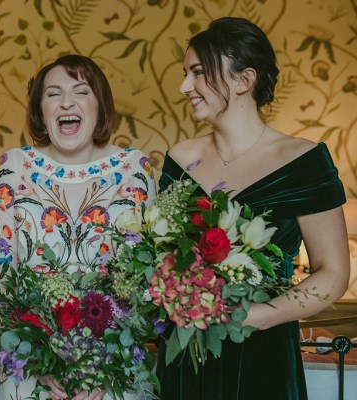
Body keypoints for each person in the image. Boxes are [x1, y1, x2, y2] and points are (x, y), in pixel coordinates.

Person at [157, 17, 350, 399]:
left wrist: (256, 316)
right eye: (185, 74)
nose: (184, 87)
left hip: (262, 352)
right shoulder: (180, 159)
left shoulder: (304, 160)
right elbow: (162, 256)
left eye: (197, 73)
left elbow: (334, 274)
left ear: (244, 80)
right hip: (185, 350)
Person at [0, 54, 157, 400]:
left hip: (114, 372)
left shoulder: (135, 168)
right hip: (30, 369)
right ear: (40, 110)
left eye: (80, 91)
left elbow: (145, 281)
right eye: (53, 94)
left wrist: (103, 363)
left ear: (100, 106)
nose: (66, 102)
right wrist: (40, 361)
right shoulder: (12, 167)